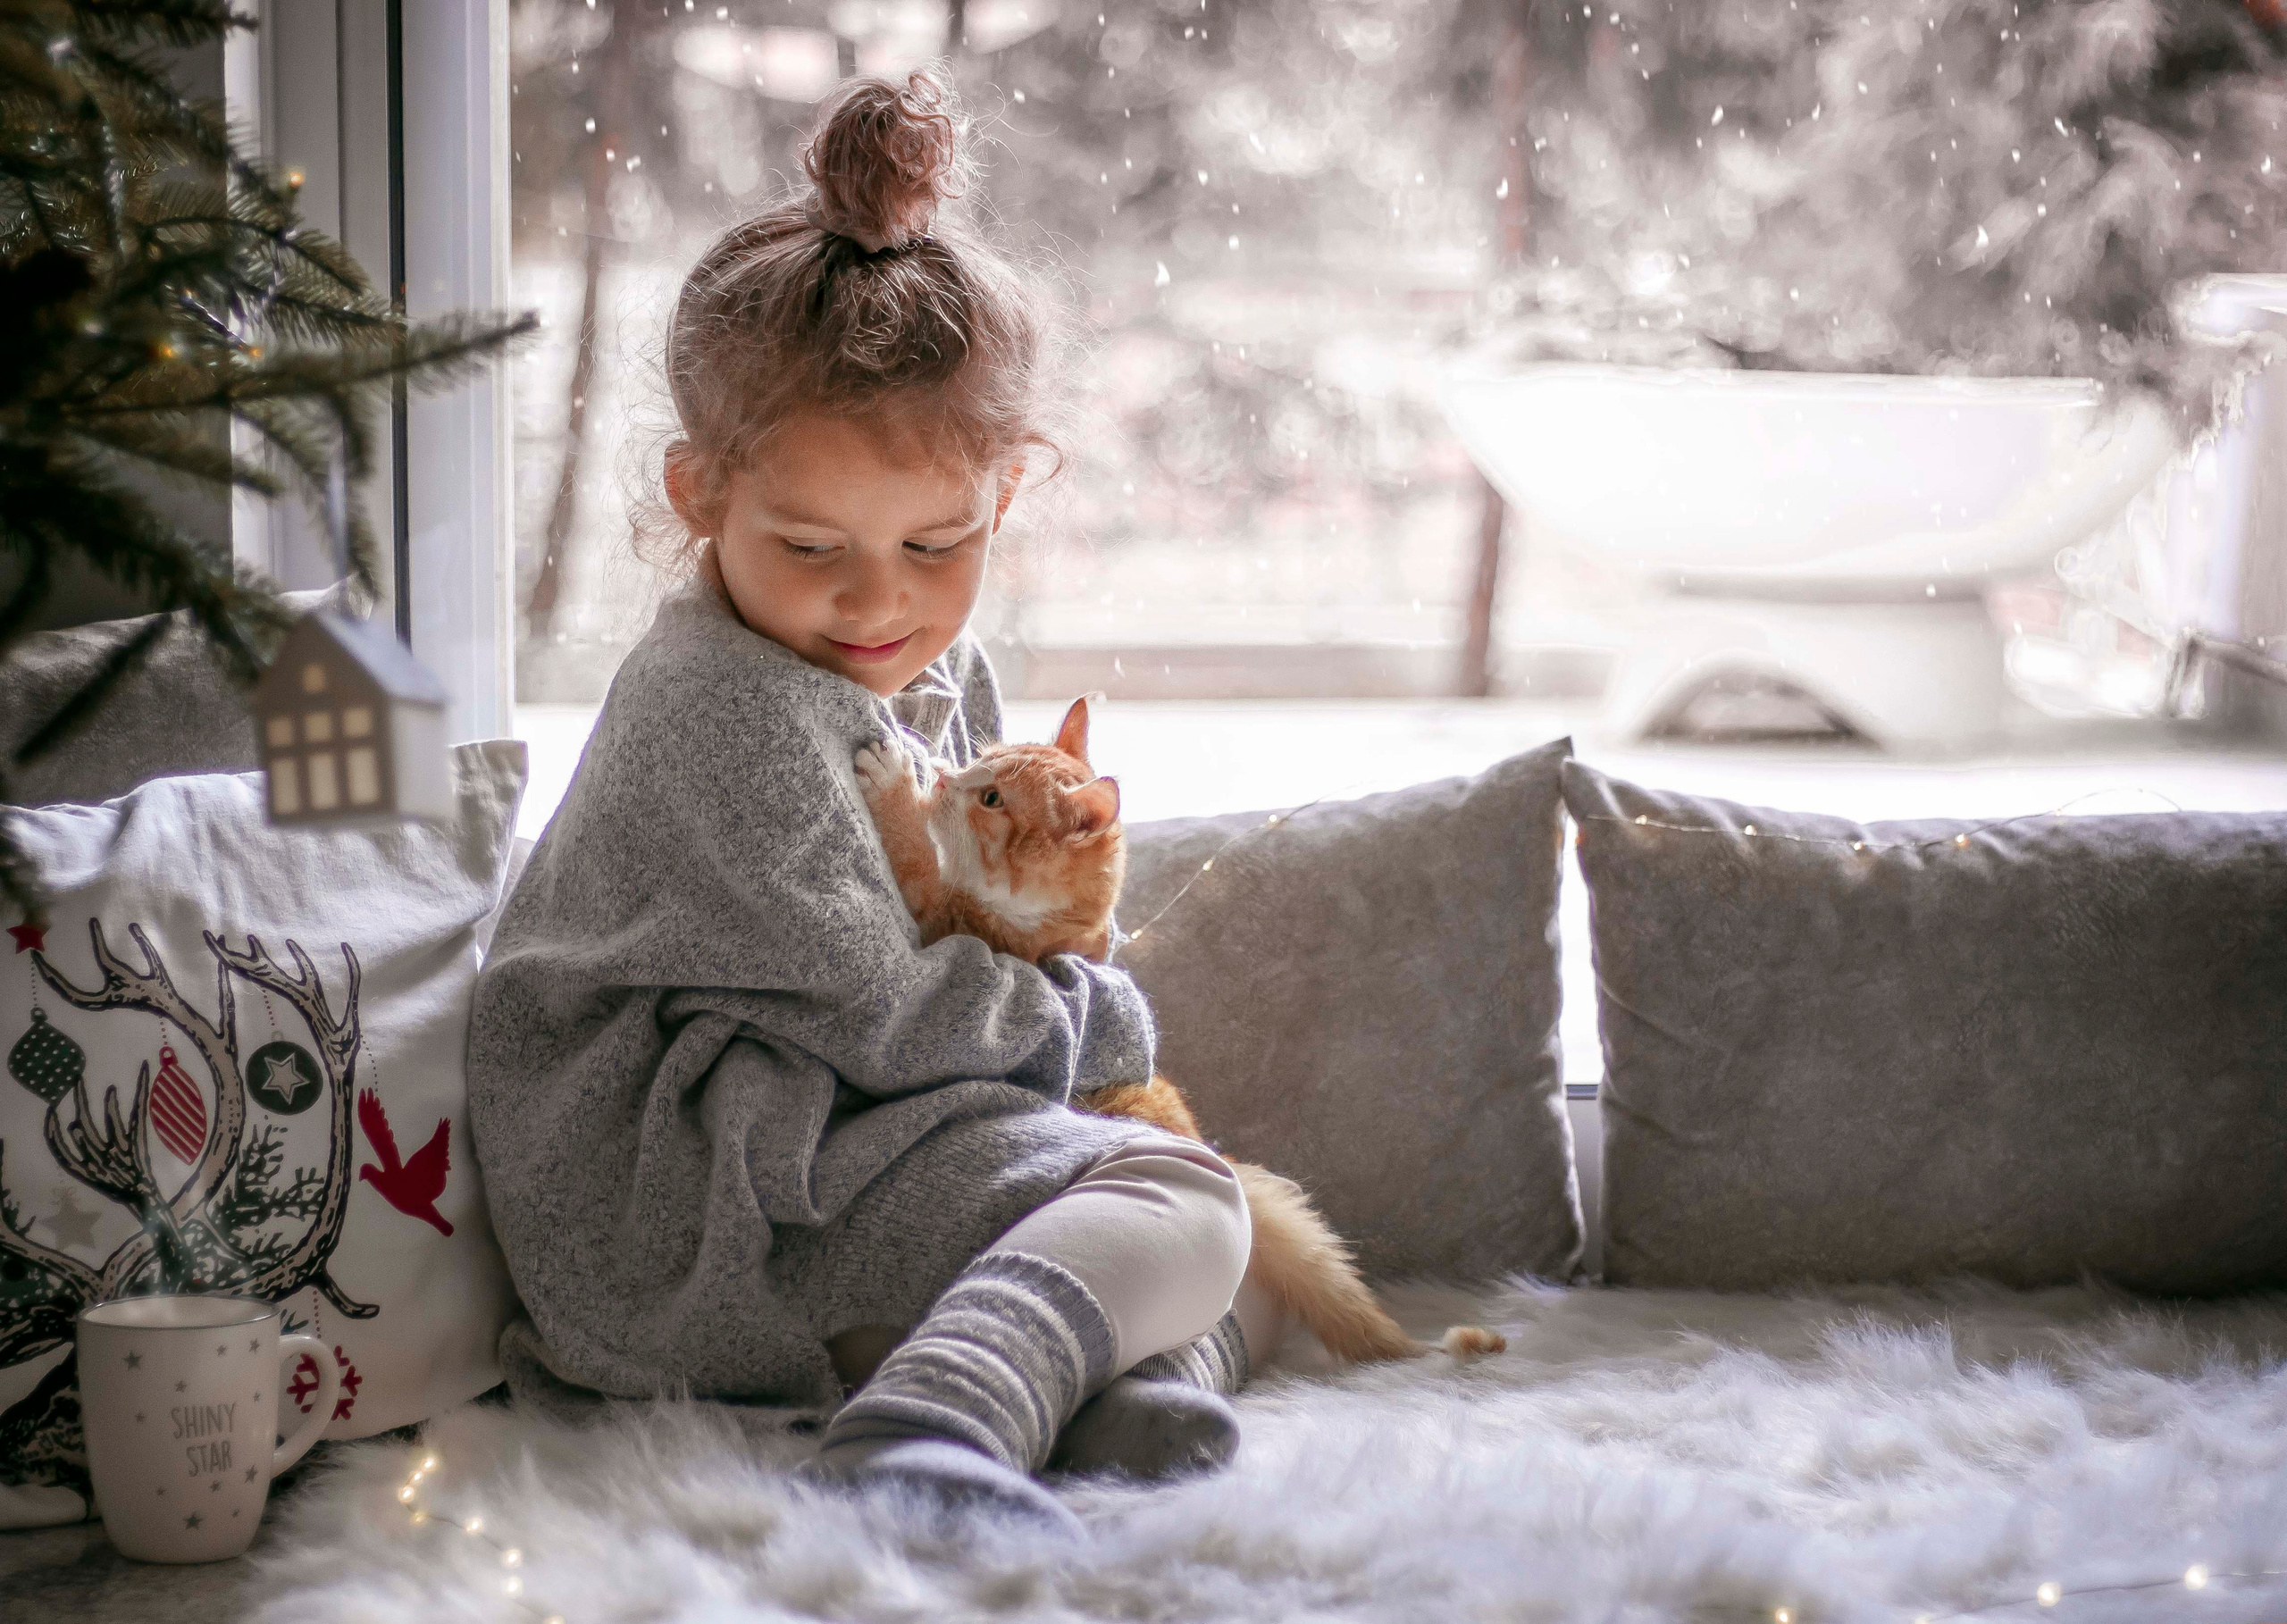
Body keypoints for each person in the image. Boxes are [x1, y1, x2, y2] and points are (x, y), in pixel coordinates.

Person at [465, 68, 1281, 1536]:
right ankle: (932, 1419)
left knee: (1205, 1220)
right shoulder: (721, 709)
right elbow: (878, 1007)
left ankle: (1081, 1378)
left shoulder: (919, 663)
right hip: (676, 1197)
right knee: (1185, 1207)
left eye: (935, 541)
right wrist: (1086, 1023)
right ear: (699, 494)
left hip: (826, 1127)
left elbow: (952, 950)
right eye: (811, 542)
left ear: (1005, 497)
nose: (878, 599)